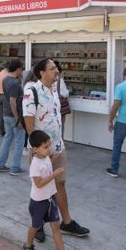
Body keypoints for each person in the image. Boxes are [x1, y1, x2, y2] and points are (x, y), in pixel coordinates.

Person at [24, 58, 90, 240]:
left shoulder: (54, 90)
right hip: (41, 152)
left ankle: (67, 222)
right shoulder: (31, 91)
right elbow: (29, 125)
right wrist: (41, 152)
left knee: (60, 184)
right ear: (41, 73)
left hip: (58, 148)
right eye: (52, 69)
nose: (57, 71)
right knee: (40, 190)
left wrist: (58, 143)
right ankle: (37, 224)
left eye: (56, 68)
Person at [21, 130, 80, 250]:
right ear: (35, 149)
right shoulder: (34, 165)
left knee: (56, 227)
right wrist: (54, 175)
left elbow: (47, 163)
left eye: (49, 145)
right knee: (35, 226)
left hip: (50, 199)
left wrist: (53, 158)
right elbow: (39, 184)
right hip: (38, 202)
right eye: (46, 147)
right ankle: (27, 246)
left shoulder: (45, 156)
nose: (49, 149)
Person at [0, 59, 25, 175]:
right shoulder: (15, 83)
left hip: (6, 114)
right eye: (21, 68)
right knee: (19, 142)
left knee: (7, 139)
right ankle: (15, 167)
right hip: (14, 116)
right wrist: (18, 120)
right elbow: (13, 101)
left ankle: (0, 165)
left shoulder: (6, 79)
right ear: (17, 69)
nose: (22, 71)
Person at [53, 61, 71, 137]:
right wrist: (68, 91)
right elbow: (65, 93)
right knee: (60, 124)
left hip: (51, 105)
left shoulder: (47, 79)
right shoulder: (59, 80)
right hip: (59, 106)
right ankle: (60, 142)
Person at [0, 62, 10, 136]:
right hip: (5, 96)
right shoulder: (8, 75)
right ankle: (8, 131)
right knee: (7, 114)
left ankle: (0, 131)